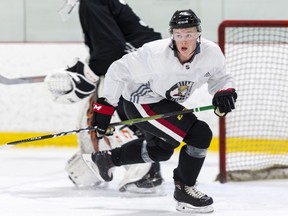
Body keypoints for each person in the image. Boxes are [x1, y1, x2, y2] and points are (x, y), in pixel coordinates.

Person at [83, 9, 237, 213]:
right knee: (199, 133)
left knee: (161, 149)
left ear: (198, 34)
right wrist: (106, 106)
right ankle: (185, 190)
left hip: (164, 101)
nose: (184, 40)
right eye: (179, 34)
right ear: (172, 34)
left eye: (189, 34)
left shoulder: (211, 53)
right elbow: (118, 70)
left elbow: (221, 78)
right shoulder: (154, 53)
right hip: (141, 102)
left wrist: (224, 92)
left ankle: (106, 159)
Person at [45, 0, 164, 194]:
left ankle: (144, 171)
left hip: (134, 68)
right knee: (118, 116)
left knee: (101, 115)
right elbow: (115, 45)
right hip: (145, 66)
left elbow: (110, 51)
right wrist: (89, 66)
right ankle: (101, 165)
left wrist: (89, 73)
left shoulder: (90, 2)